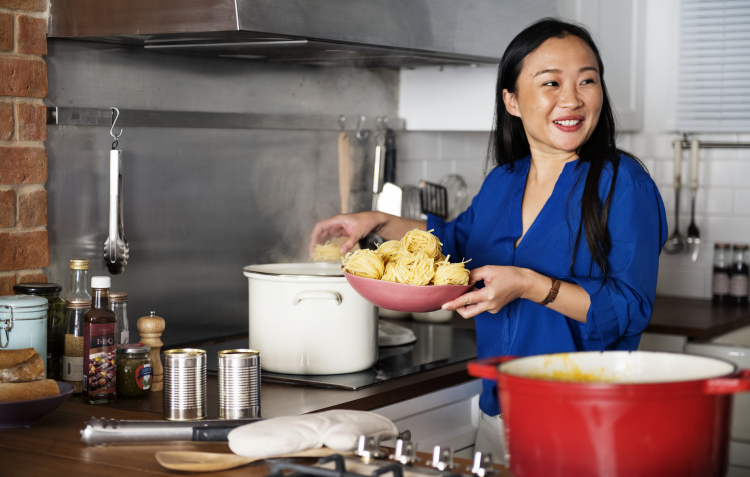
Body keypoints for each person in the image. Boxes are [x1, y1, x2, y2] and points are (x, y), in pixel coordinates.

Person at [309, 18, 667, 460]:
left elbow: (631, 307)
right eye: (551, 82)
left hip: (584, 418)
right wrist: (378, 222)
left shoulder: (623, 183)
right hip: (500, 412)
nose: (572, 99)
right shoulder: (504, 180)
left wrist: (530, 285)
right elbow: (456, 242)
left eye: (587, 81)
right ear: (512, 100)